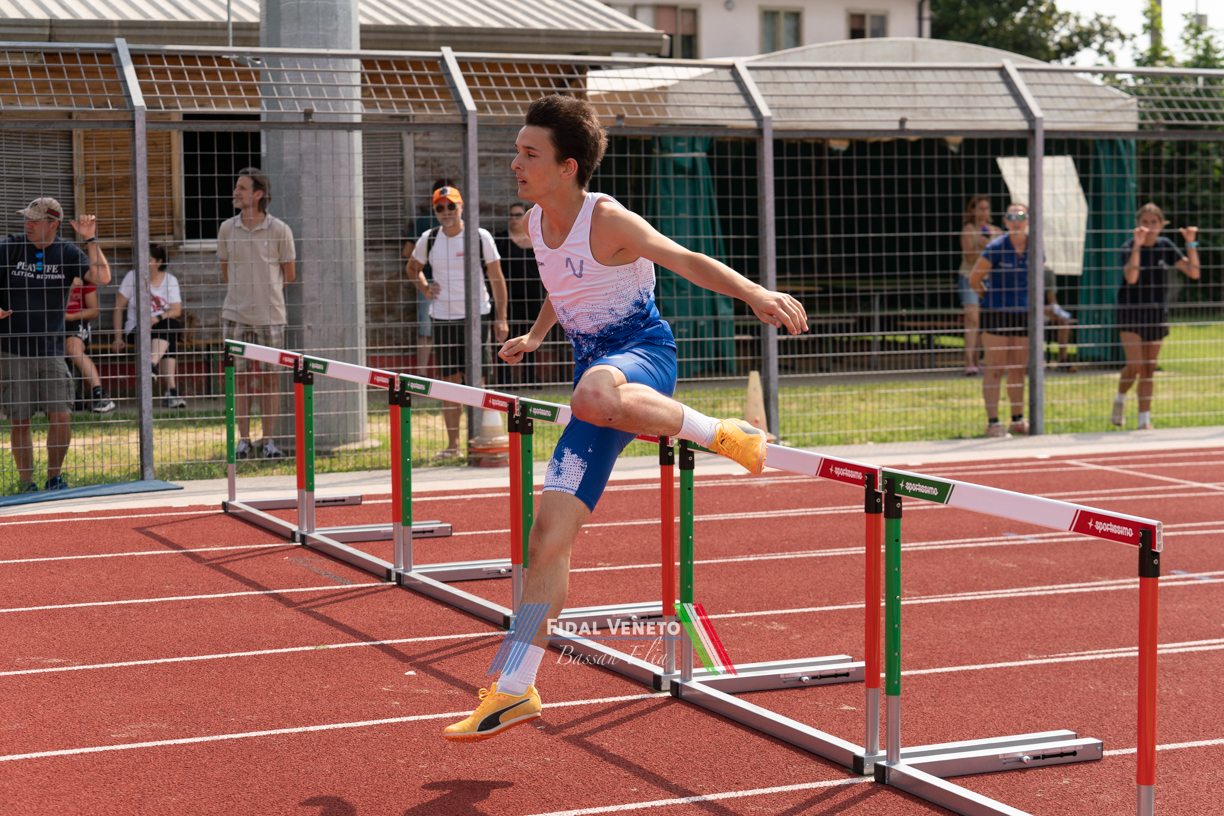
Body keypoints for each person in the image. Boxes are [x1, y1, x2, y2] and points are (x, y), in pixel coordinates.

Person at [442, 94, 807, 742]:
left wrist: (755, 293)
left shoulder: (606, 217)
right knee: (544, 542)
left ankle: (724, 434)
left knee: (590, 395)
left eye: (529, 154)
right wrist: (535, 336)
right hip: (597, 381)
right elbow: (561, 285)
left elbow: (683, 258)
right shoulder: (537, 222)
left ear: (568, 167)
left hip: (642, 358)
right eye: (517, 151)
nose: (515, 163)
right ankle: (514, 688)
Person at [0, 198, 111, 492]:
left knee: (61, 415)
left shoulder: (67, 252)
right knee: (20, 420)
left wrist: (90, 239)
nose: (27, 225)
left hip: (52, 350)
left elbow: (102, 277)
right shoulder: (10, 247)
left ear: (53, 225)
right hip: (13, 350)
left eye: (34, 221)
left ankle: (54, 478)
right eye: (27, 219)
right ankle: (27, 483)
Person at [406, 185, 509, 459]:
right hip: (443, 318)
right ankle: (453, 446)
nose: (446, 212)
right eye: (440, 208)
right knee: (449, 384)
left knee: (478, 381)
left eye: (451, 206)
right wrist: (425, 288)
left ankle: (481, 442)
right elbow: (412, 268)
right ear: (435, 211)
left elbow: (497, 278)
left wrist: (501, 319)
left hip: (477, 318)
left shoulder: (479, 236)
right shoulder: (429, 238)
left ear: (461, 207)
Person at [218, 167, 296, 460]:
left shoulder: (280, 230)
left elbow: (289, 274)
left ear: (258, 194)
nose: (235, 192)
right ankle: (243, 442)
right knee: (237, 380)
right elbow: (226, 270)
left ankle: (268, 443)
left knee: (270, 380)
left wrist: (265, 294)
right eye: (236, 187)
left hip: (271, 317)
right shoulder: (227, 228)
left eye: (241, 188)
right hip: (234, 316)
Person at [1112, 204, 1199, 430]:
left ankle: (1144, 420)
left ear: (1161, 225)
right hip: (1130, 313)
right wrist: (1138, 246)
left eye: (1154, 222)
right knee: (1135, 366)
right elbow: (1131, 278)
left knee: (1149, 368)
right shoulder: (1129, 247)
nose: (1149, 227)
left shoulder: (1166, 246)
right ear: (1138, 224)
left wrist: (1190, 244)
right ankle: (1120, 398)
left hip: (1156, 313)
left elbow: (1194, 272)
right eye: (1145, 222)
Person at [969, 202, 1041, 438]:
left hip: (1024, 314)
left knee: (1018, 369)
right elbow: (974, 279)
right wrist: (991, 299)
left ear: (1028, 219)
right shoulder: (996, 247)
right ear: (1005, 221)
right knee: (996, 368)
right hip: (996, 313)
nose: (1016, 221)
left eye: (1021, 216)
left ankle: (1017, 420)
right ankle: (992, 423)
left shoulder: (1035, 247)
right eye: (1011, 217)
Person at [111, 244, 187, 409]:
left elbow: (176, 310)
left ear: (159, 262)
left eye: (149, 260)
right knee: (168, 334)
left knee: (168, 326)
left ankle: (150, 365)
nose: (143, 264)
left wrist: (156, 318)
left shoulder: (170, 280)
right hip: (137, 330)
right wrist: (118, 337)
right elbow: (118, 308)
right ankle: (171, 391)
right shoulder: (132, 277)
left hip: (161, 328)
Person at [402, 178, 454, 378]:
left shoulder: (463, 223)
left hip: (457, 283)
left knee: (450, 328)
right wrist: (431, 257)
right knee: (427, 328)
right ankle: (422, 375)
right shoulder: (425, 222)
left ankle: (446, 376)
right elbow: (407, 252)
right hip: (432, 282)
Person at [494, 201, 545, 387]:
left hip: (534, 297)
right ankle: (505, 380)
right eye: (511, 215)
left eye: (517, 215)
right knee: (505, 337)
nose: (513, 219)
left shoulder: (538, 239)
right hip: (510, 297)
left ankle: (530, 377)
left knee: (531, 336)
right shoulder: (501, 240)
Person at [958, 195, 1001, 376]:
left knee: (985, 321)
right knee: (972, 319)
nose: (984, 212)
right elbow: (969, 257)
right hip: (969, 277)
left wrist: (990, 246)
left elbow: (1001, 256)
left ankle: (979, 360)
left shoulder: (997, 231)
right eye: (980, 208)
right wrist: (981, 247)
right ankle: (969, 362)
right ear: (973, 210)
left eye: (986, 208)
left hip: (991, 279)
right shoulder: (967, 230)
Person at [64, 276, 116, 413]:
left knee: (73, 350)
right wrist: (69, 288)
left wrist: (71, 316)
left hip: (76, 320)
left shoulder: (84, 280)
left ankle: (99, 394)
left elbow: (94, 311)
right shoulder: (51, 277)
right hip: (53, 322)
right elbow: (53, 307)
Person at [1043, 264, 1076, 371]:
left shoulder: (1047, 272)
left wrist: (1056, 311)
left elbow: (1052, 300)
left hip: (1042, 312)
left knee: (1064, 320)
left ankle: (1063, 360)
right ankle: (1026, 363)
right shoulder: (1021, 269)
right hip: (1023, 311)